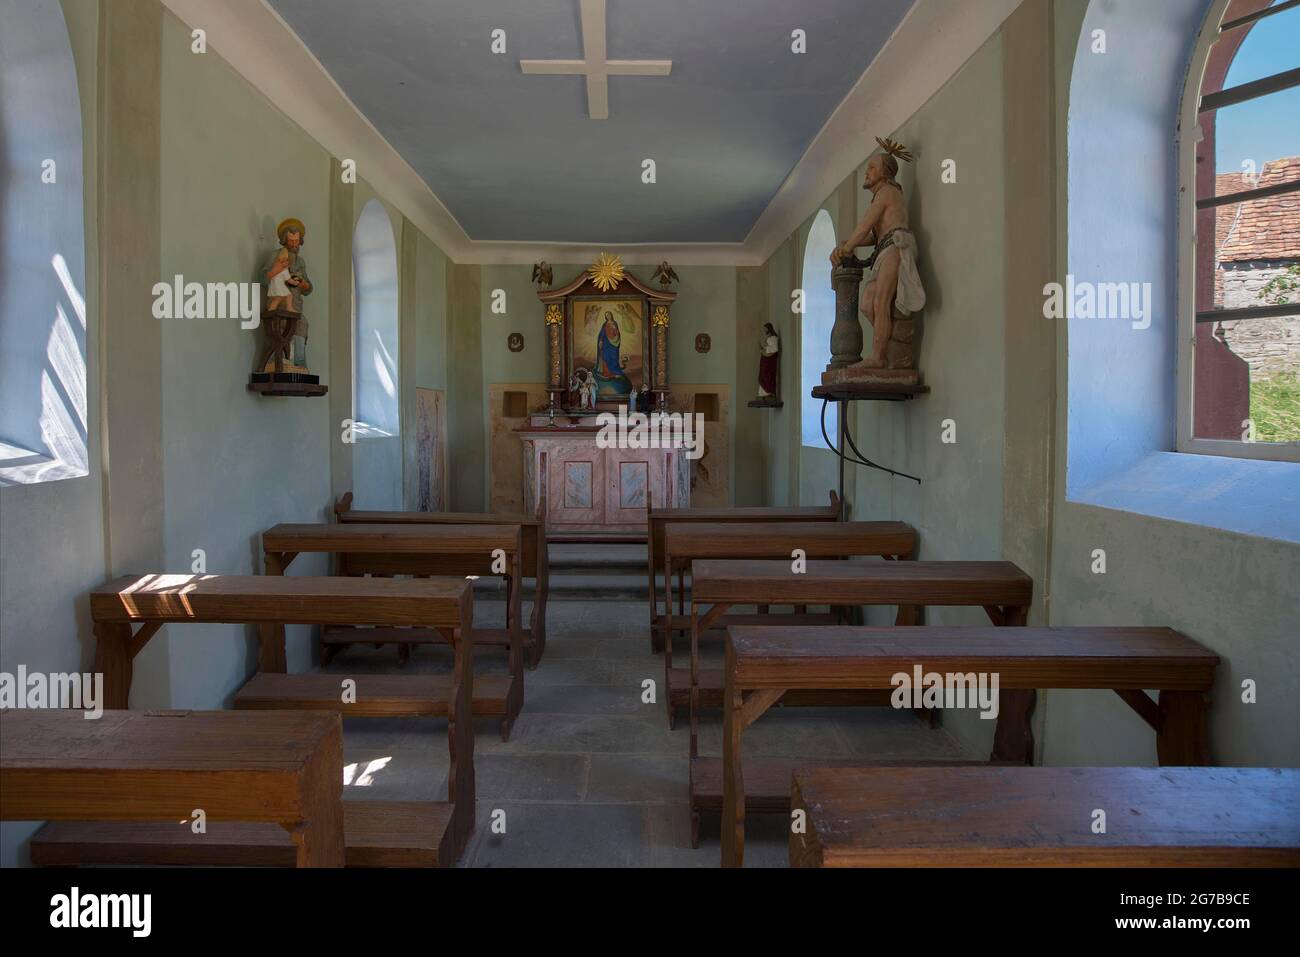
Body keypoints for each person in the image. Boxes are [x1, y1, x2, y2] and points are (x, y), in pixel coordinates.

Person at [830, 138, 926, 369]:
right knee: (866, 304)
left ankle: (879, 357)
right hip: (884, 248)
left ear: (886, 173)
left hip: (895, 248)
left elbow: (865, 225)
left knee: (880, 302)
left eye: (872, 168)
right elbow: (874, 234)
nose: (867, 172)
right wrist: (849, 243)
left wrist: (845, 249)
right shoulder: (883, 195)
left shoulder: (887, 192)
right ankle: (890, 347)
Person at [757, 322, 780, 397]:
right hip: (765, 359)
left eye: (765, 329)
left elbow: (774, 349)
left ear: (769, 328)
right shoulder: (769, 337)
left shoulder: (773, 338)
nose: (764, 330)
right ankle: (763, 393)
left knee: (767, 375)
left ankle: (768, 392)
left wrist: (764, 350)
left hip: (769, 360)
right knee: (763, 375)